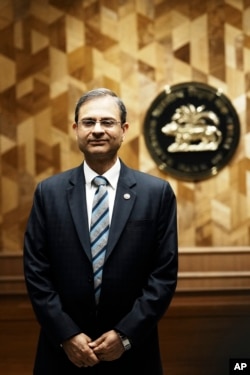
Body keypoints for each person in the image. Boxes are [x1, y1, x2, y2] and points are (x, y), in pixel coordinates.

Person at [23, 88, 178, 374]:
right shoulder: (49, 193)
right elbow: (36, 271)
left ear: (124, 129)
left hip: (133, 354)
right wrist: (66, 335)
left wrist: (125, 335)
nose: (97, 130)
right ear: (75, 129)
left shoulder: (156, 193)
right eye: (88, 122)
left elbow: (163, 275)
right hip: (62, 353)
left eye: (107, 122)